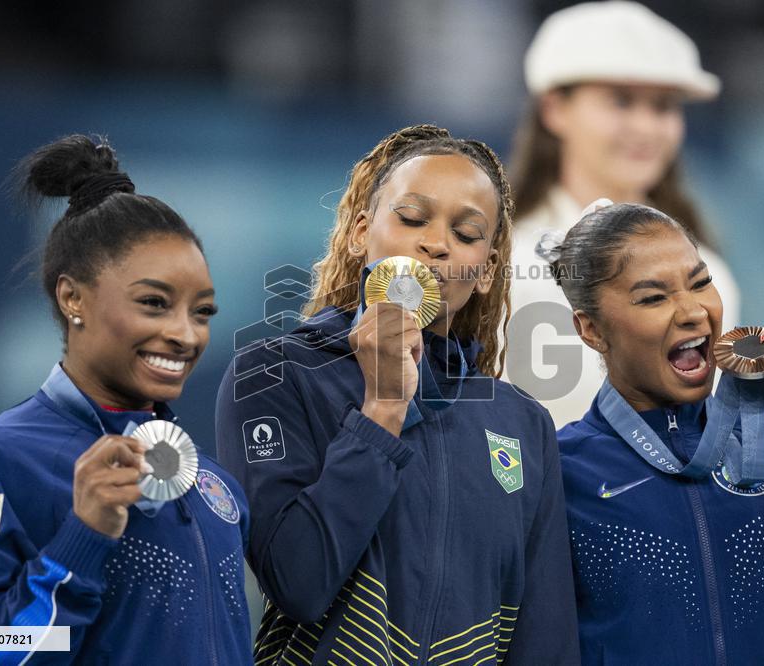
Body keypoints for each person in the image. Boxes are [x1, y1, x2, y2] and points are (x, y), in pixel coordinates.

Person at [216, 125, 580, 664]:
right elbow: (299, 581)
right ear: (362, 231)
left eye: (467, 233)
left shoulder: (522, 424)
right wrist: (383, 407)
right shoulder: (275, 374)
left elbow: (544, 639)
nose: (436, 242)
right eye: (412, 218)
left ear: (484, 273)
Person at [0, 135, 254, 664]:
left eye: (202, 312)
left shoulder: (214, 487)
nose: (186, 335)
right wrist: (82, 539)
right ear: (72, 297)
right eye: (154, 303)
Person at [544, 202, 764, 664]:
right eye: (654, 297)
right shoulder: (561, 473)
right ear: (591, 329)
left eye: (700, 283)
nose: (693, 311)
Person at [505, 0, 741, 427]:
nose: (646, 128)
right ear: (554, 109)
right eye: (621, 101)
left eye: (663, 107)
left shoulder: (712, 274)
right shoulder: (503, 260)